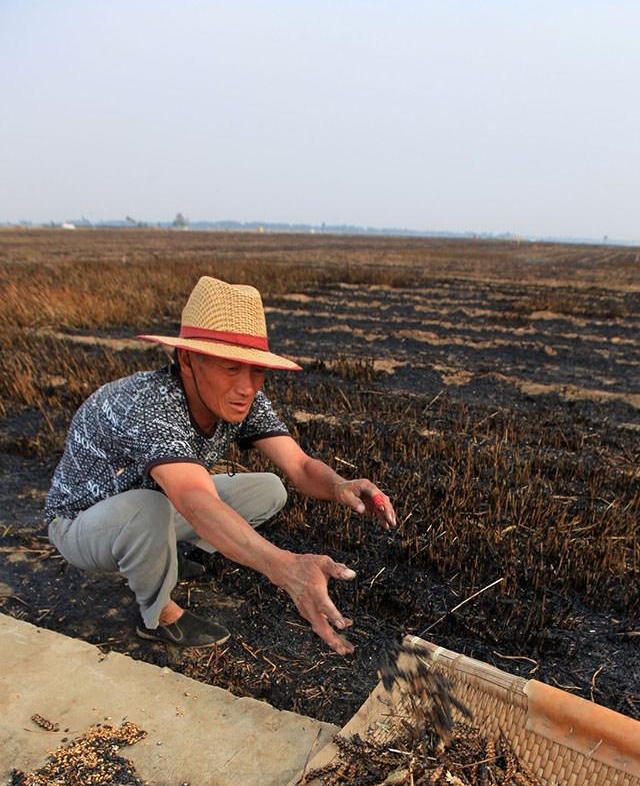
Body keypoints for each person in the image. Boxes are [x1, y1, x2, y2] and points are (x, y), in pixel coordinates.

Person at [43, 275, 396, 655]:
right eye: (231, 368)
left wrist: (337, 484)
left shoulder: (243, 399)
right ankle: (158, 615)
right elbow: (194, 499)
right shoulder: (149, 404)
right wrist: (285, 567)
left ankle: (164, 555)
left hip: (154, 502)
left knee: (268, 489)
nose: (247, 386)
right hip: (82, 524)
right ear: (188, 359)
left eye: (256, 371)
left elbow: (299, 465)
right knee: (151, 508)